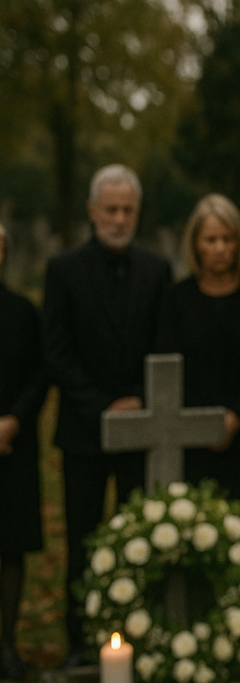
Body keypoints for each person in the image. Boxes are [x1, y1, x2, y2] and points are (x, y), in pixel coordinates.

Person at [42, 164, 172, 666]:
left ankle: (138, 628)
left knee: (139, 535)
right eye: (111, 210)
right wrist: (102, 405)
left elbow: (163, 342)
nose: (119, 219)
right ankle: (81, 638)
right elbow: (56, 352)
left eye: (128, 210)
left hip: (143, 427)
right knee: (83, 536)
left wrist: (138, 398)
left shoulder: (157, 270)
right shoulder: (63, 270)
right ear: (92, 211)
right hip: (84, 430)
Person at [155, 194, 240, 515]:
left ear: (239, 243)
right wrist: (203, 422)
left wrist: (234, 417)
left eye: (227, 239)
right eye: (211, 239)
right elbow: (169, 364)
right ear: (195, 244)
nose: (220, 248)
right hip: (189, 435)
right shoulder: (176, 300)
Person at [0, 223, 49, 681]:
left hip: (11, 447)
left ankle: (7, 644)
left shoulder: (21, 311)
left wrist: (13, 420)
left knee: (10, 548)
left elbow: (39, 372)